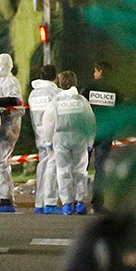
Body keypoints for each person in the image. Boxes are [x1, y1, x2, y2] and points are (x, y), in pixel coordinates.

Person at [44, 71, 95, 215]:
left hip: (61, 138)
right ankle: (80, 202)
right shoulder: (81, 101)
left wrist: (48, 141)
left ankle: (67, 203)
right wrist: (90, 141)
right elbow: (90, 122)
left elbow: (49, 123)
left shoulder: (55, 102)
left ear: (60, 84)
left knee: (63, 171)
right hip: (79, 137)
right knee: (80, 171)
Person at [0, 53, 25, 213]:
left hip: (9, 126)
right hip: (1, 125)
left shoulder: (10, 82)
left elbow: (15, 101)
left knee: (1, 162)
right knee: (2, 161)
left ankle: (6, 200)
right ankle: (7, 197)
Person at [80, 61, 119, 213]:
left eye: (95, 71)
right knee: (100, 168)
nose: (94, 74)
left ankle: (79, 201)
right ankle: (98, 203)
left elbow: (81, 107)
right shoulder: (116, 90)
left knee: (81, 167)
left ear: (100, 71)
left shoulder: (89, 88)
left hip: (89, 131)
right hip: (106, 131)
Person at [29, 64, 60, 214]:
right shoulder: (55, 93)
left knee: (42, 166)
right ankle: (50, 202)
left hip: (39, 133)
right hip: (53, 134)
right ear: (55, 76)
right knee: (52, 168)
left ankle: (39, 203)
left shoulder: (33, 94)